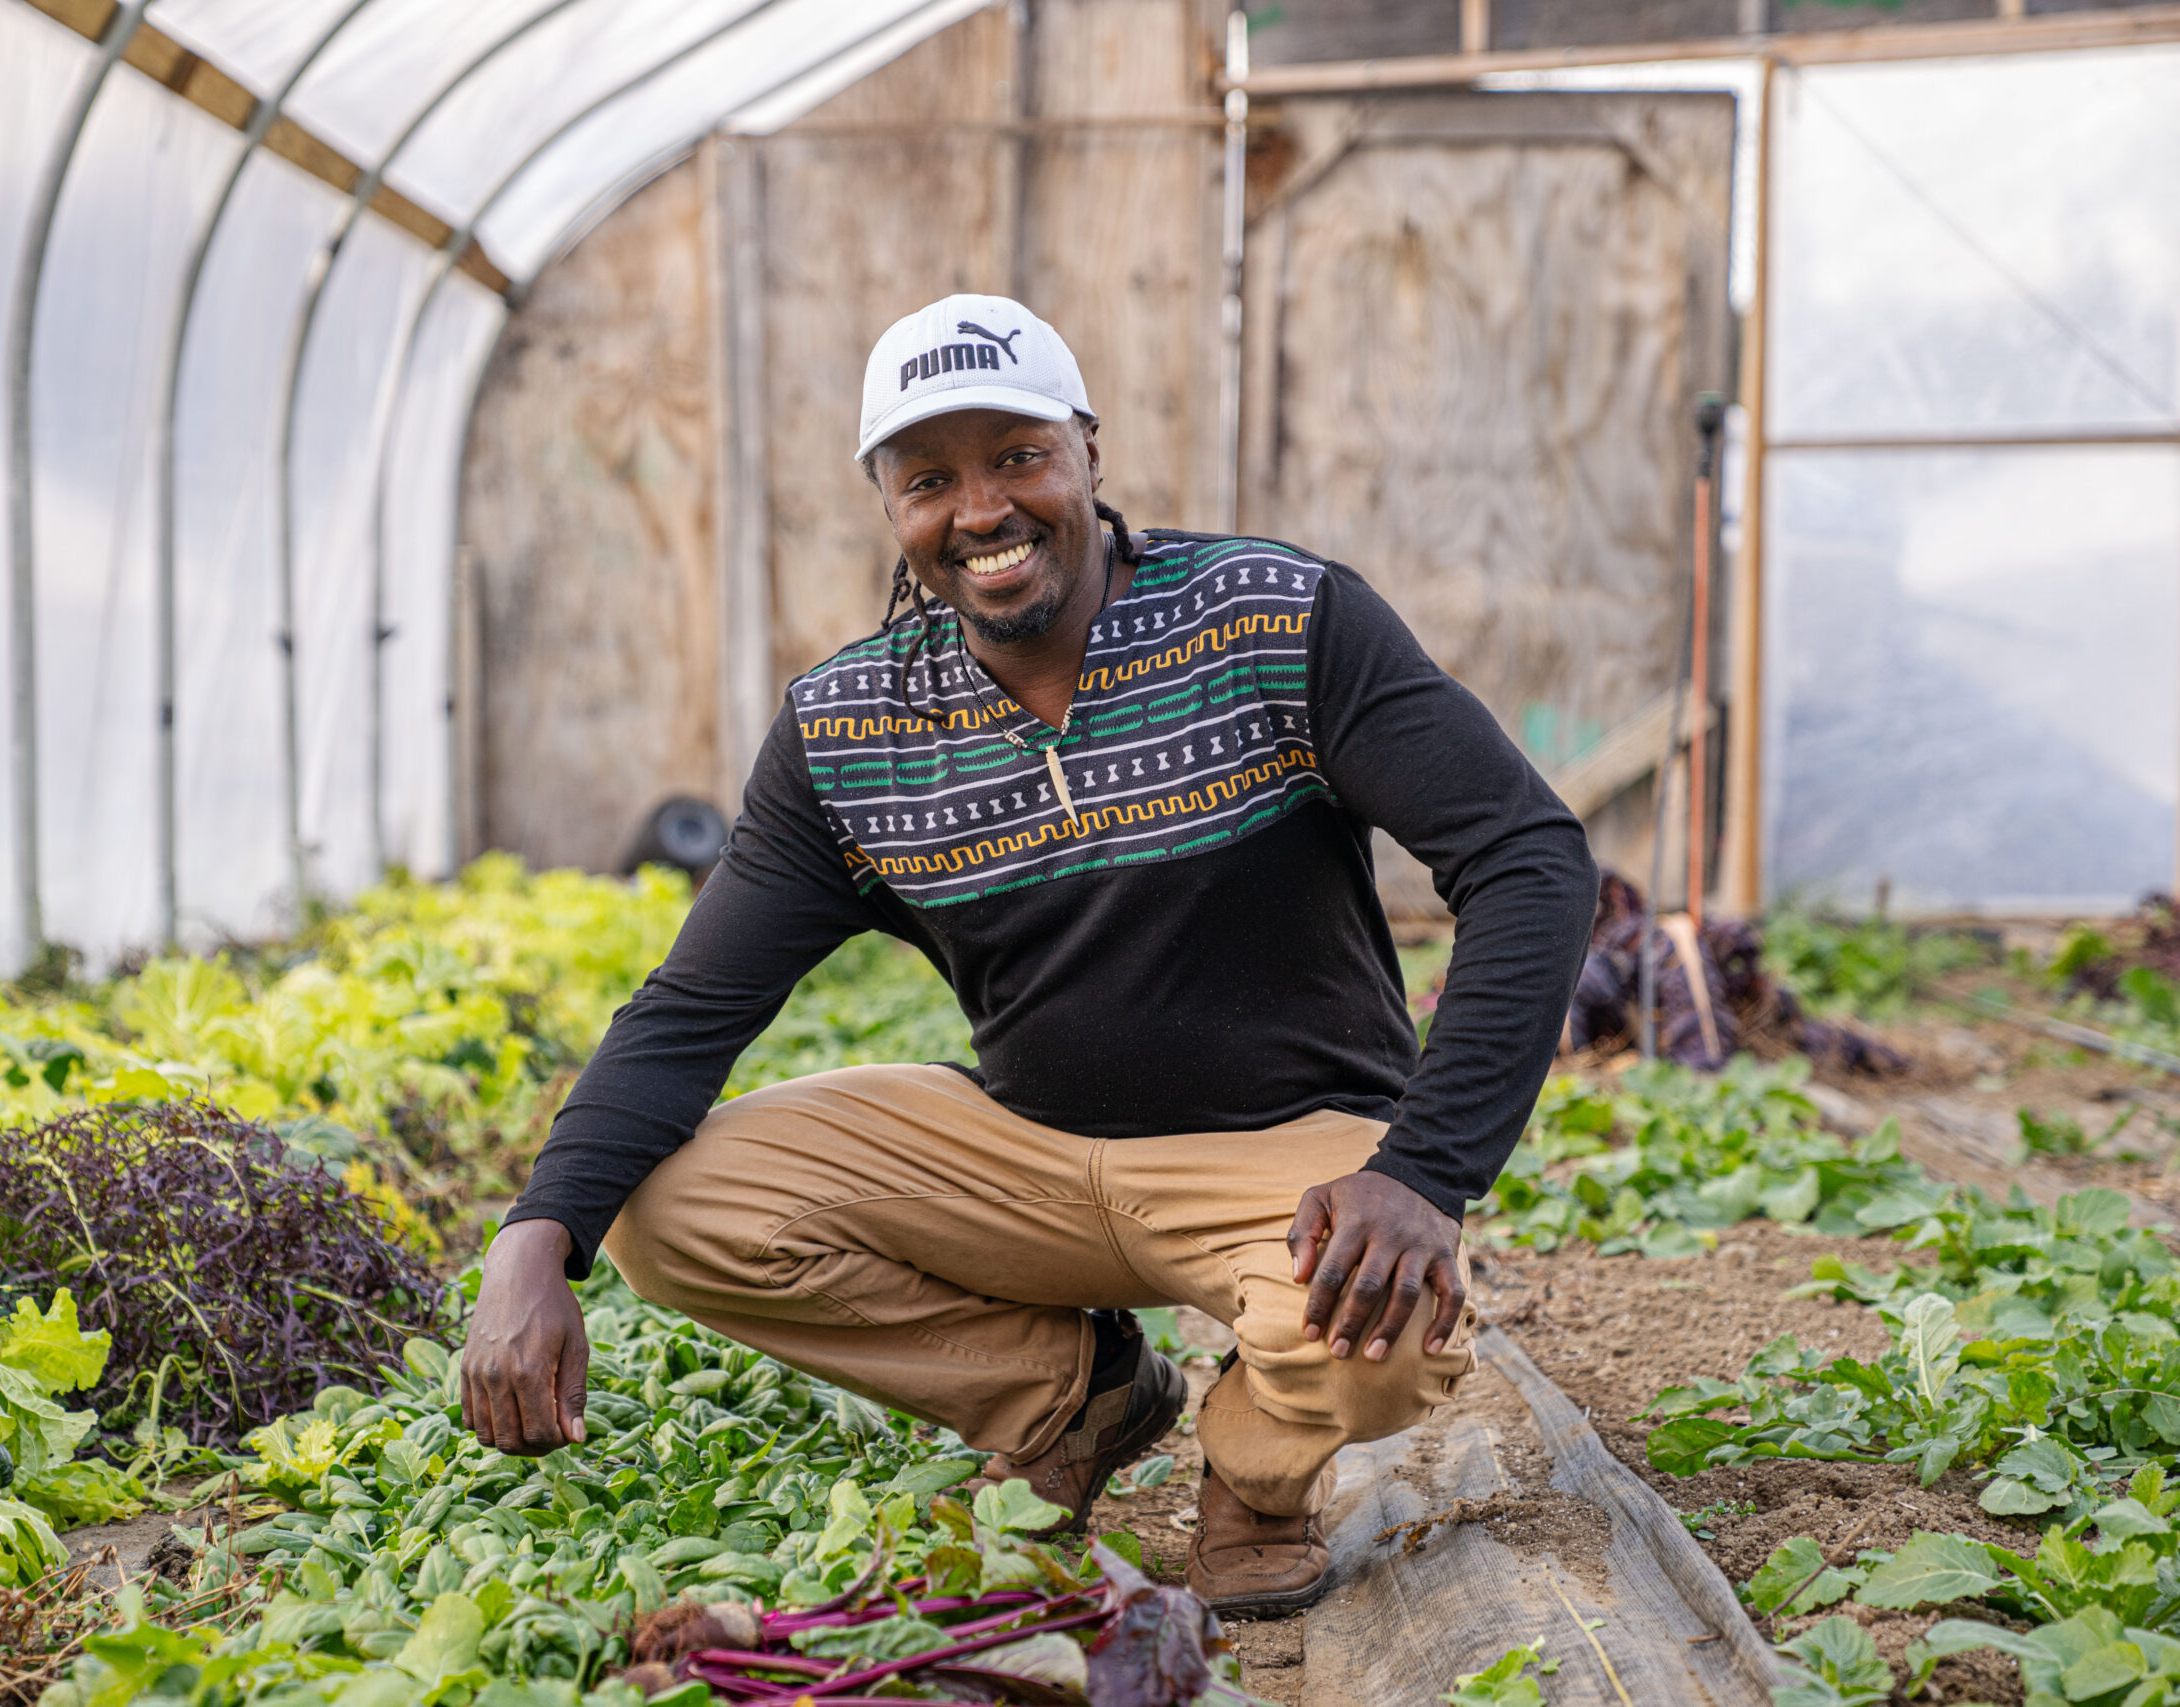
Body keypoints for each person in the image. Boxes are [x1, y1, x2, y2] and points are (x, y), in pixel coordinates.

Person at [460, 294, 1596, 1616]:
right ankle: (1082, 1394)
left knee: (1390, 1331)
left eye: (1018, 456)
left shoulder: (1275, 620)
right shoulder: (850, 732)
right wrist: (534, 1237)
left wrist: (1420, 1172)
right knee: (668, 1209)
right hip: (1030, 1151)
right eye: (931, 477)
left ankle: (1251, 1474)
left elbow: (1527, 858)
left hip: (1285, 1157)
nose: (983, 508)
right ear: (890, 506)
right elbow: (697, 1002)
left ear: (1087, 454)